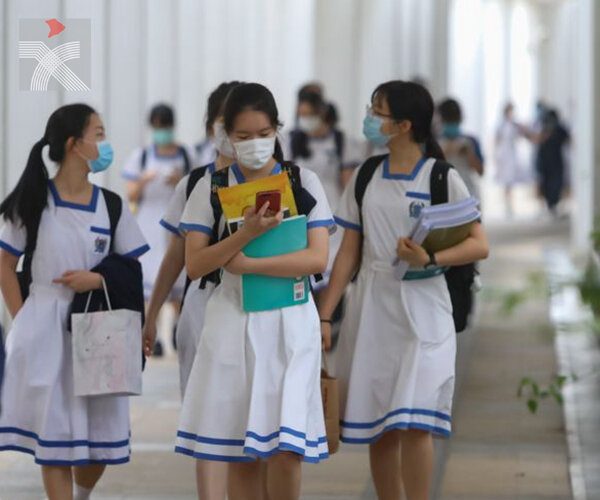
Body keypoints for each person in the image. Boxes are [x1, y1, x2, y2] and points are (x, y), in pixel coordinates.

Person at [319, 81, 489, 500]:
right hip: (373, 308)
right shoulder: (365, 176)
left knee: (416, 421)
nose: (370, 119)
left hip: (425, 308)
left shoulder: (441, 177)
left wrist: (428, 259)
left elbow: (478, 243)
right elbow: (347, 254)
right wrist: (325, 313)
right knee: (381, 425)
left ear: (404, 124)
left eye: (378, 111)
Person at [175, 83, 333, 500]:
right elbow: (196, 264)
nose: (255, 145)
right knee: (240, 448)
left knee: (286, 448)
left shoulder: (303, 181)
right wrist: (244, 233)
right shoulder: (209, 188)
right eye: (243, 137)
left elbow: (318, 259)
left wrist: (251, 265)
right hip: (232, 324)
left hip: (291, 324)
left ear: (277, 129)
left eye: (263, 134)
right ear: (226, 135)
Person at [0, 104, 148, 500]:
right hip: (45, 329)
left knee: (103, 437)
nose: (104, 143)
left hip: (99, 331)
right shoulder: (32, 202)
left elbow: (132, 271)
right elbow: (5, 264)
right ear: (73, 144)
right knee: (54, 436)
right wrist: (25, 321)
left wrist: (97, 279)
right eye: (98, 134)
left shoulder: (111, 205)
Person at [142, 81, 241, 397]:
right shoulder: (195, 183)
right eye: (227, 124)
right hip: (201, 304)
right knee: (202, 406)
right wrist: (152, 313)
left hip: (257, 302)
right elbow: (175, 256)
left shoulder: (280, 181)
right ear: (211, 127)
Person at [122, 104, 194, 356]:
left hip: (176, 223)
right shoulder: (141, 156)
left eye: (164, 126)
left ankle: (175, 330)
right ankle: (151, 331)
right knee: (149, 281)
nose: (161, 132)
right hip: (149, 225)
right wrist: (145, 179)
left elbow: (196, 186)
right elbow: (130, 192)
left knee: (177, 282)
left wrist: (180, 180)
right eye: (157, 127)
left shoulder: (186, 155)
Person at [287, 91, 361, 294]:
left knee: (329, 270)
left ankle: (326, 320)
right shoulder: (292, 141)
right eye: (301, 115)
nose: (305, 120)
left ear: (321, 113)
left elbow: (348, 184)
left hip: (333, 213)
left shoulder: (340, 141)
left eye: (309, 114)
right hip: (300, 216)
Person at [437, 98, 484, 199]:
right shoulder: (434, 142)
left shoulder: (470, 141)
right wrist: (445, 152)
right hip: (443, 195)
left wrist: (469, 154)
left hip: (468, 193)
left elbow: (481, 171)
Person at [530, 109, 571, 214]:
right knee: (548, 185)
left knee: (556, 184)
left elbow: (568, 140)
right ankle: (550, 205)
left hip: (555, 161)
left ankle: (554, 204)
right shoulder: (544, 129)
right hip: (547, 162)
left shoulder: (559, 129)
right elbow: (537, 140)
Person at [494, 102, 527, 217]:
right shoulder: (501, 125)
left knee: (511, 180)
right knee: (505, 180)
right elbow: (497, 140)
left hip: (511, 155)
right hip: (504, 155)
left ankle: (510, 204)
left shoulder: (515, 125)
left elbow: (523, 135)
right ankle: (507, 204)